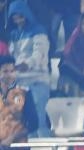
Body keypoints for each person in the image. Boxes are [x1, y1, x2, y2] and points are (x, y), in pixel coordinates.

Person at [6, 1, 48, 137]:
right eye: (15, 17)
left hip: (38, 83)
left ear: (26, 15)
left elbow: (39, 54)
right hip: (20, 86)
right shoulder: (13, 34)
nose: (18, 20)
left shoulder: (39, 30)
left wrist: (26, 64)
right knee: (23, 118)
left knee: (39, 118)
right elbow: (12, 56)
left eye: (21, 16)